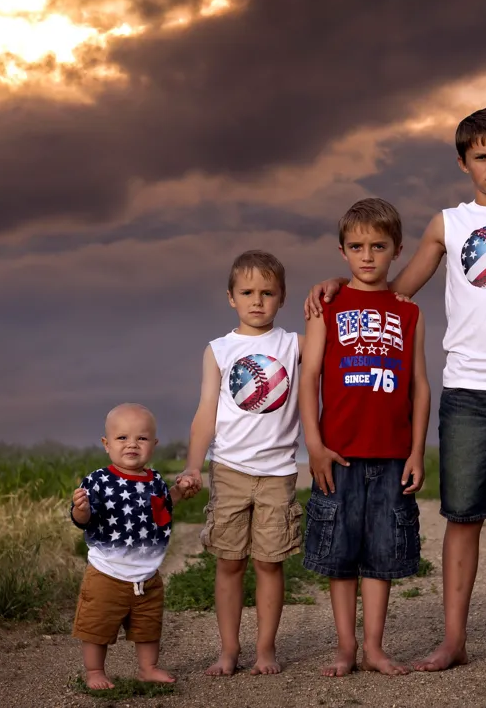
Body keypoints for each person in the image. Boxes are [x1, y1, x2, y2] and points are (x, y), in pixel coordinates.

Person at [305, 107, 486, 675]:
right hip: (466, 391)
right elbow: (395, 291)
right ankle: (453, 640)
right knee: (462, 517)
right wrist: (340, 284)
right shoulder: (448, 224)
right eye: (481, 156)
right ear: (464, 163)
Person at [299, 198, 430, 677]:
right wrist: (314, 446)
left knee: (381, 555)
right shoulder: (327, 306)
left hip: (393, 454)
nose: (368, 256)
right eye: (357, 247)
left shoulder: (408, 312)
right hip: (339, 454)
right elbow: (309, 376)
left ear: (397, 250)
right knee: (340, 556)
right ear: (342, 251)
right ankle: (346, 648)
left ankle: (374, 647)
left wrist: (417, 451)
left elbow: (420, 386)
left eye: (378, 246)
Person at [177, 250, 305, 677]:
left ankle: (265, 648)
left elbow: (333, 332)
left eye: (267, 292)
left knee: (269, 562)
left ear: (282, 297)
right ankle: (229, 650)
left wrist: (335, 288)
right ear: (231, 297)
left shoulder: (293, 344)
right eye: (247, 292)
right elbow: (206, 412)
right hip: (230, 470)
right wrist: (193, 466)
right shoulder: (219, 350)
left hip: (277, 472)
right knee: (230, 562)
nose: (257, 301)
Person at [69, 402, 192, 690]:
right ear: (107, 444)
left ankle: (148, 668)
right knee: (97, 626)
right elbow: (82, 521)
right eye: (122, 437)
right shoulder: (99, 480)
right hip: (106, 572)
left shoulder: (155, 481)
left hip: (147, 575)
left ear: (154, 445)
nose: (132, 444)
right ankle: (95, 671)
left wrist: (179, 491)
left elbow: (163, 508)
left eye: (142, 438)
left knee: (148, 626)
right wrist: (81, 509)